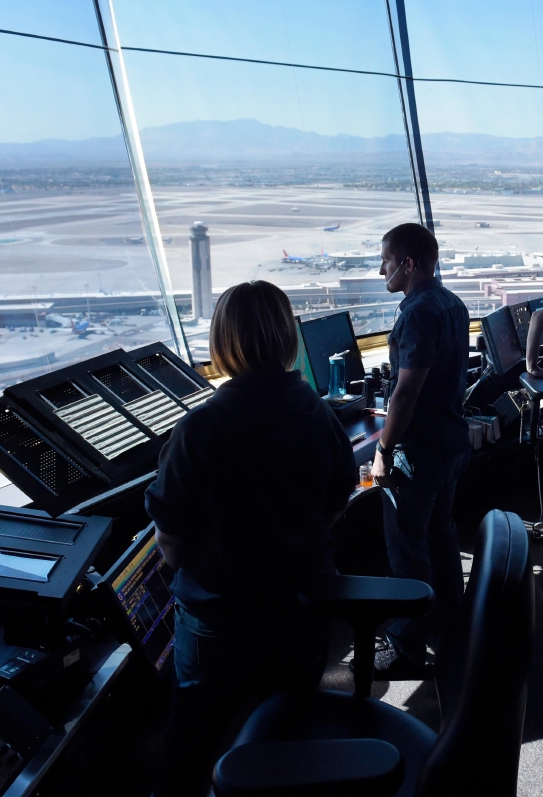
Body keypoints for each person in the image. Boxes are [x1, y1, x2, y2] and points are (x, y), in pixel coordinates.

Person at [146, 281, 356, 797]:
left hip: (221, 623)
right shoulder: (316, 411)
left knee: (190, 744)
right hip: (302, 613)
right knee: (286, 732)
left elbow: (169, 534)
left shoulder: (202, 426)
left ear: (222, 342)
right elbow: (338, 498)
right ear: (287, 336)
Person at [371, 222, 471, 680]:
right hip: (451, 442)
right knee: (441, 537)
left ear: (409, 263)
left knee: (407, 548)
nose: (381, 270)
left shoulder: (415, 312)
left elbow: (406, 394)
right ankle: (454, 626)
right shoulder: (452, 303)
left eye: (387, 261)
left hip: (420, 450)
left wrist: (384, 450)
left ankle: (407, 647)